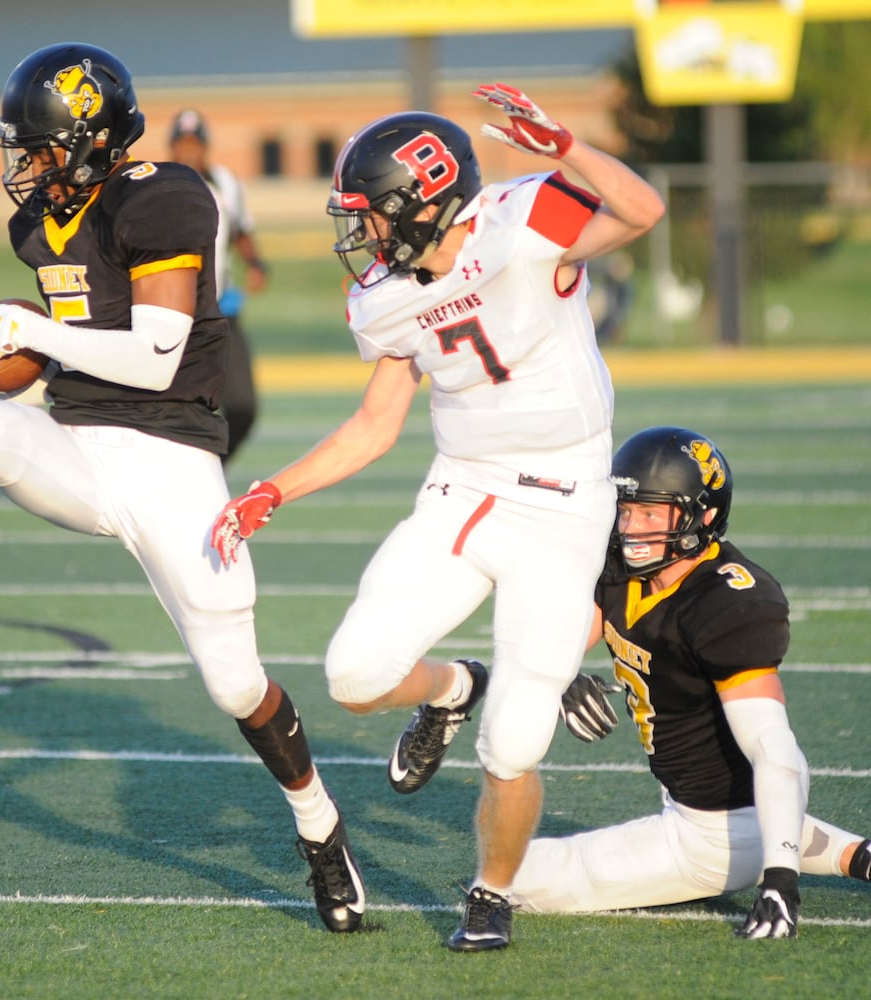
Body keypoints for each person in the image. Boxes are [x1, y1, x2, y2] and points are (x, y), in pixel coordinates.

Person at [0, 42, 365, 934]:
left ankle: (320, 828)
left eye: (39, 150)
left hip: (173, 462)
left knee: (234, 686)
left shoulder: (165, 198)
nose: (24, 168)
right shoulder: (40, 226)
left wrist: (30, 331)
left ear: (94, 142)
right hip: (75, 440)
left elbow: (153, 352)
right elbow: (74, 348)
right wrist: (2, 384)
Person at [211, 83, 666, 951]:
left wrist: (564, 146)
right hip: (463, 490)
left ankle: (490, 894)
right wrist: (274, 490)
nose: (364, 236)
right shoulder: (381, 297)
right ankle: (458, 685)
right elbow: (377, 424)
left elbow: (640, 208)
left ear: (424, 204)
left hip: (565, 502)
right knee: (353, 675)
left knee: (517, 745)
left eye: (372, 215)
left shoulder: (522, 220)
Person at [510, 425, 871, 936]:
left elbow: (773, 749)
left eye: (649, 513)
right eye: (626, 509)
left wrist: (779, 882)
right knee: (742, 825)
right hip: (723, 809)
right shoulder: (622, 570)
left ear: (700, 516)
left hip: (712, 833)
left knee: (506, 877)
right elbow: (552, 644)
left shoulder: (726, 601)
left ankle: (775, 861)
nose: (630, 528)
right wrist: (561, 674)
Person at [167, 108, 266, 465]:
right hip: (174, 315)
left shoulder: (226, 183)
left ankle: (211, 468)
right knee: (176, 412)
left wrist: (255, 262)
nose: (189, 151)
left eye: (195, 144)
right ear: (172, 147)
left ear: (206, 146)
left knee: (243, 406)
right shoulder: (158, 185)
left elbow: (240, 229)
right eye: (182, 144)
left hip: (222, 310)